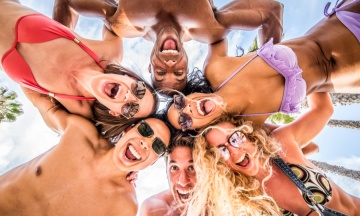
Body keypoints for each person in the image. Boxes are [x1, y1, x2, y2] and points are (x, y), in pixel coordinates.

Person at [172, 92, 360, 216]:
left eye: (235, 138)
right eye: (222, 150)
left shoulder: (282, 145)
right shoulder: (249, 203)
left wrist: (307, 62)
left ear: (247, 132)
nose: (235, 151)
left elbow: (323, 109)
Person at [0, 87, 170, 216]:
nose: (145, 143)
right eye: (145, 130)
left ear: (153, 162)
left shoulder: (123, 208)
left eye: (157, 146)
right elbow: (38, 98)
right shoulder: (81, 132)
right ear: (128, 129)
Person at [166, 0, 360, 131]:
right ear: (197, 131)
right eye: (184, 120)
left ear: (187, 94)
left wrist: (270, 50)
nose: (188, 109)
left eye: (180, 103)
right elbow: (302, 147)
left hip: (347, 21)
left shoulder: (217, 69)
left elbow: (271, 10)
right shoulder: (250, 126)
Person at [53, 0, 284, 92]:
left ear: (150, 67)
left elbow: (69, 2)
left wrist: (57, 50)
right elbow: (272, 11)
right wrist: (271, 73)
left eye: (162, 72)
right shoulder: (210, 29)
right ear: (187, 62)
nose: (171, 64)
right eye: (179, 72)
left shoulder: (122, 24)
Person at [0, 0, 159, 126]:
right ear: (130, 77)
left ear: (115, 113)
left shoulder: (77, 112)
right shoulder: (108, 53)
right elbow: (115, 12)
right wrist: (60, 28)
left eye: (131, 109)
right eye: (138, 89)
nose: (128, 95)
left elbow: (71, 135)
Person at [140, 131, 210, 216]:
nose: (183, 181)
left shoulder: (226, 209)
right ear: (166, 170)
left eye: (192, 168)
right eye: (174, 168)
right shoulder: (153, 210)